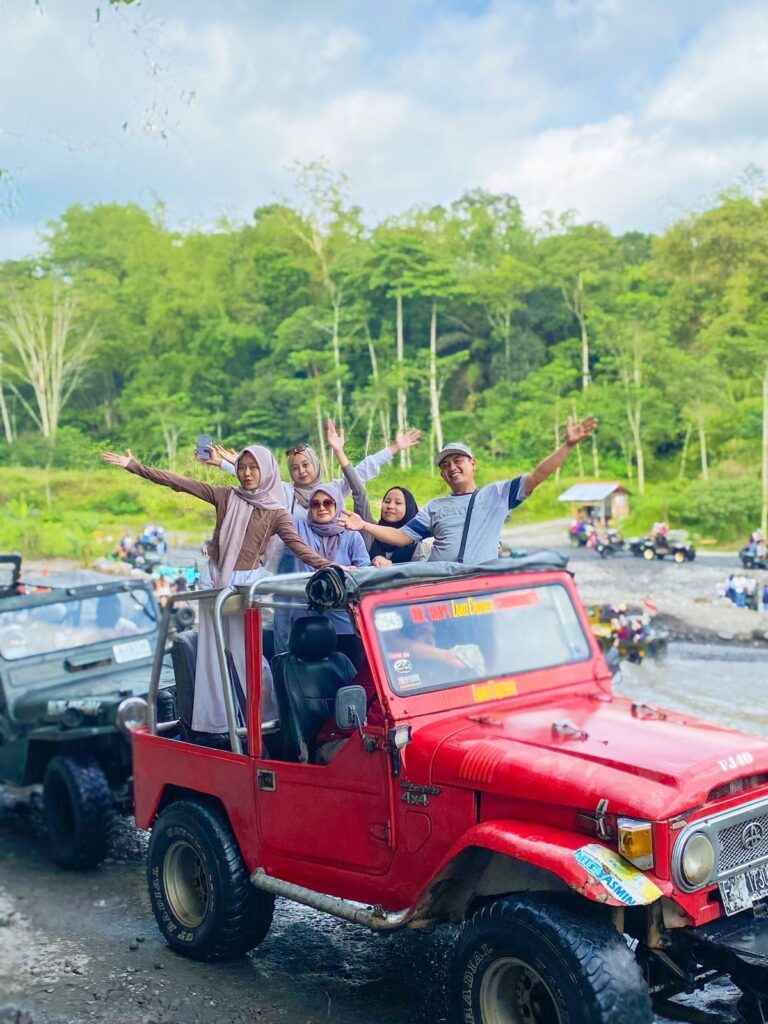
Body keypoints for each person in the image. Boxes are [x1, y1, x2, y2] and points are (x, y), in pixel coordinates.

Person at [101, 445, 334, 737]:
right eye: (242, 467)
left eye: (254, 467)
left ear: (267, 470)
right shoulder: (227, 496)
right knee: (214, 654)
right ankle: (217, 721)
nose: (246, 473)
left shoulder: (275, 513)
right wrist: (135, 466)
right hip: (216, 584)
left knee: (248, 655)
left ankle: (263, 716)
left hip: (245, 590)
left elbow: (301, 547)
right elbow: (180, 483)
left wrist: (332, 567)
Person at [341, 415, 597, 564]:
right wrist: (363, 525)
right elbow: (402, 537)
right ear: (442, 474)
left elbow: (538, 475)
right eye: (445, 464)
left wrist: (568, 446)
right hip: (439, 585)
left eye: (458, 461)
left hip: (478, 585)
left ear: (473, 464)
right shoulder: (435, 507)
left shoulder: (497, 495)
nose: (452, 467)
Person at [203, 422, 422, 517]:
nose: (301, 471)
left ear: (315, 464)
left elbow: (362, 471)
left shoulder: (333, 489)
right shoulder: (287, 492)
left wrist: (394, 448)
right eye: (295, 468)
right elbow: (259, 481)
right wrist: (229, 463)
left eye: (306, 464)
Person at [279, 481, 371, 665]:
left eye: (328, 503)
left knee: (351, 679)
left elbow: (364, 573)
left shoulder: (351, 535)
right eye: (315, 504)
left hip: (345, 625)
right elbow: (269, 500)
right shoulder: (300, 529)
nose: (321, 508)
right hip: (307, 626)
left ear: (337, 504)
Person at [344, 478, 424, 566]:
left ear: (409, 508)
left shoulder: (413, 540)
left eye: (398, 503)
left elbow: (422, 572)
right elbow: (359, 494)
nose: (390, 506)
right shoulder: (369, 529)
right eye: (387, 501)